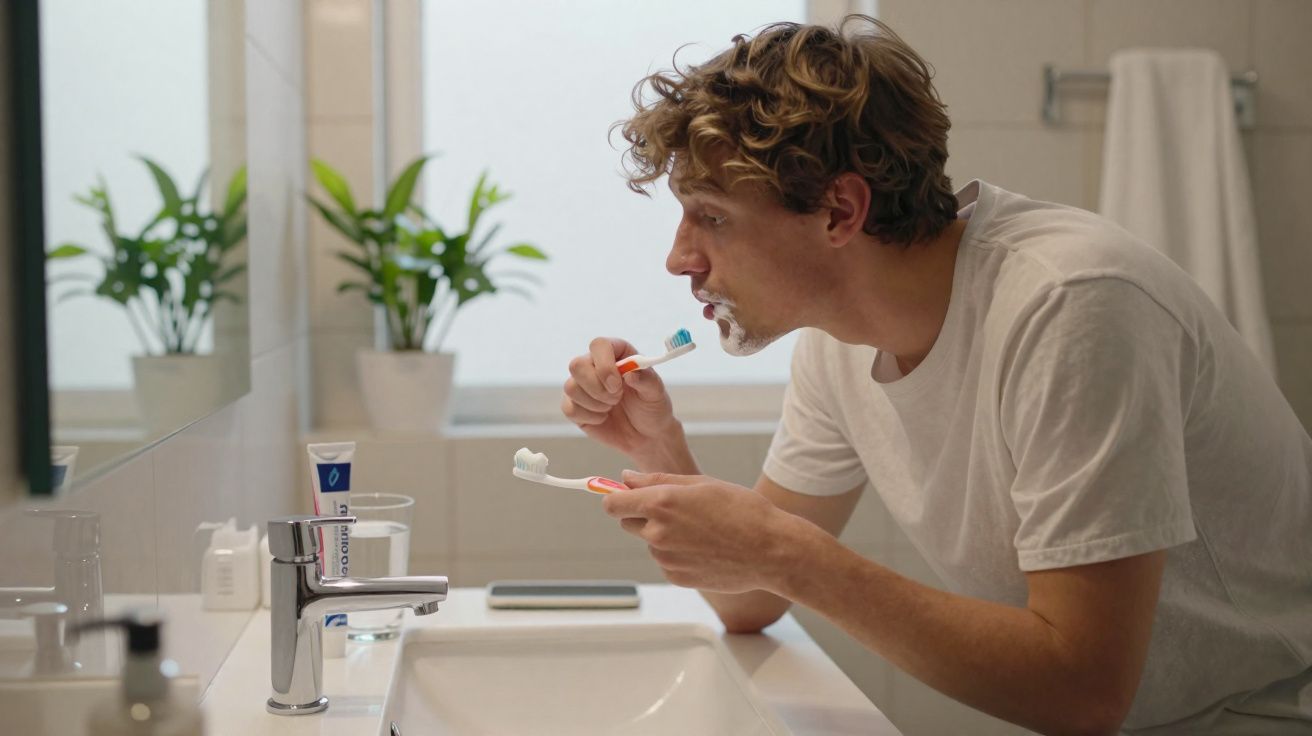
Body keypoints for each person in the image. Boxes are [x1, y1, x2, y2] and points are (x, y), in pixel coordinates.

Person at [560, 15, 1312, 736]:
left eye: (711, 217)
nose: (679, 258)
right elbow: (750, 598)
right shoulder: (837, 344)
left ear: (839, 211)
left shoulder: (1071, 305)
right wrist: (659, 450)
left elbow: (1083, 691)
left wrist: (788, 552)